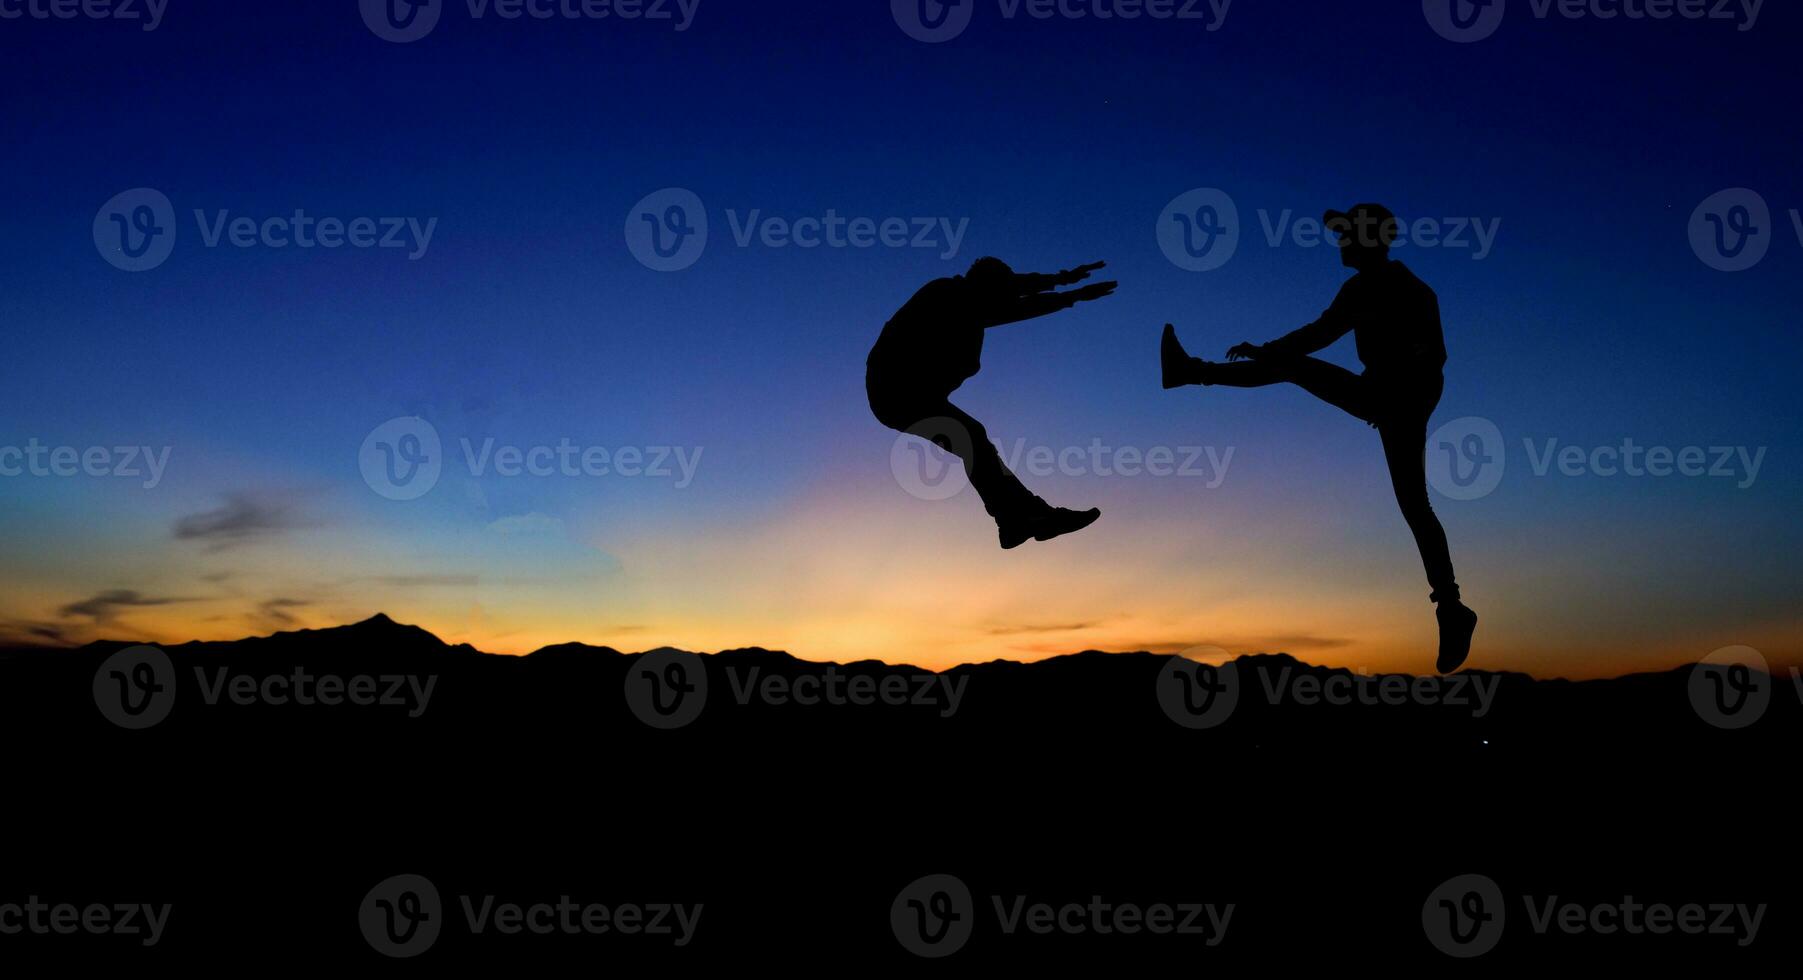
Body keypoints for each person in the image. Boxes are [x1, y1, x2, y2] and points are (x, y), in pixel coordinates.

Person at [1160, 204, 1479, 673]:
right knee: (1415, 505)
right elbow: (1319, 333)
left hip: (1398, 401)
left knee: (1416, 505)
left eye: (1347, 234)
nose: (1340, 243)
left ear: (1369, 239)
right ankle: (1451, 609)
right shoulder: (1358, 289)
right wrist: (1269, 350)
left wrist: (1399, 403)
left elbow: (1434, 362)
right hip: (1382, 398)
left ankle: (1192, 372)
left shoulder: (1411, 292)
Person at [869, 257, 1116, 549]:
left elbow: (1013, 296)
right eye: (1000, 292)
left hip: (907, 394)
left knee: (973, 440)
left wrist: (1064, 281)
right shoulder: (948, 296)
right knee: (971, 437)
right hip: (897, 391)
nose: (1005, 299)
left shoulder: (969, 302)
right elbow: (1016, 306)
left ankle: (1014, 521)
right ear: (986, 287)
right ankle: (1022, 517)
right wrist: (1067, 291)